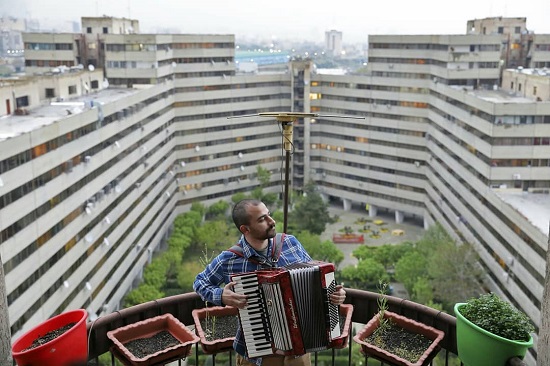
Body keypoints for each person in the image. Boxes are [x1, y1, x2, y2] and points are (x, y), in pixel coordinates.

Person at [193, 199, 346, 366]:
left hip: (299, 350)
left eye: (269, 215)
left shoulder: (290, 243)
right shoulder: (229, 260)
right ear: (245, 229)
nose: (271, 222)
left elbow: (317, 283)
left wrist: (333, 295)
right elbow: (200, 282)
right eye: (261, 219)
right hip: (257, 355)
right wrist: (221, 295)